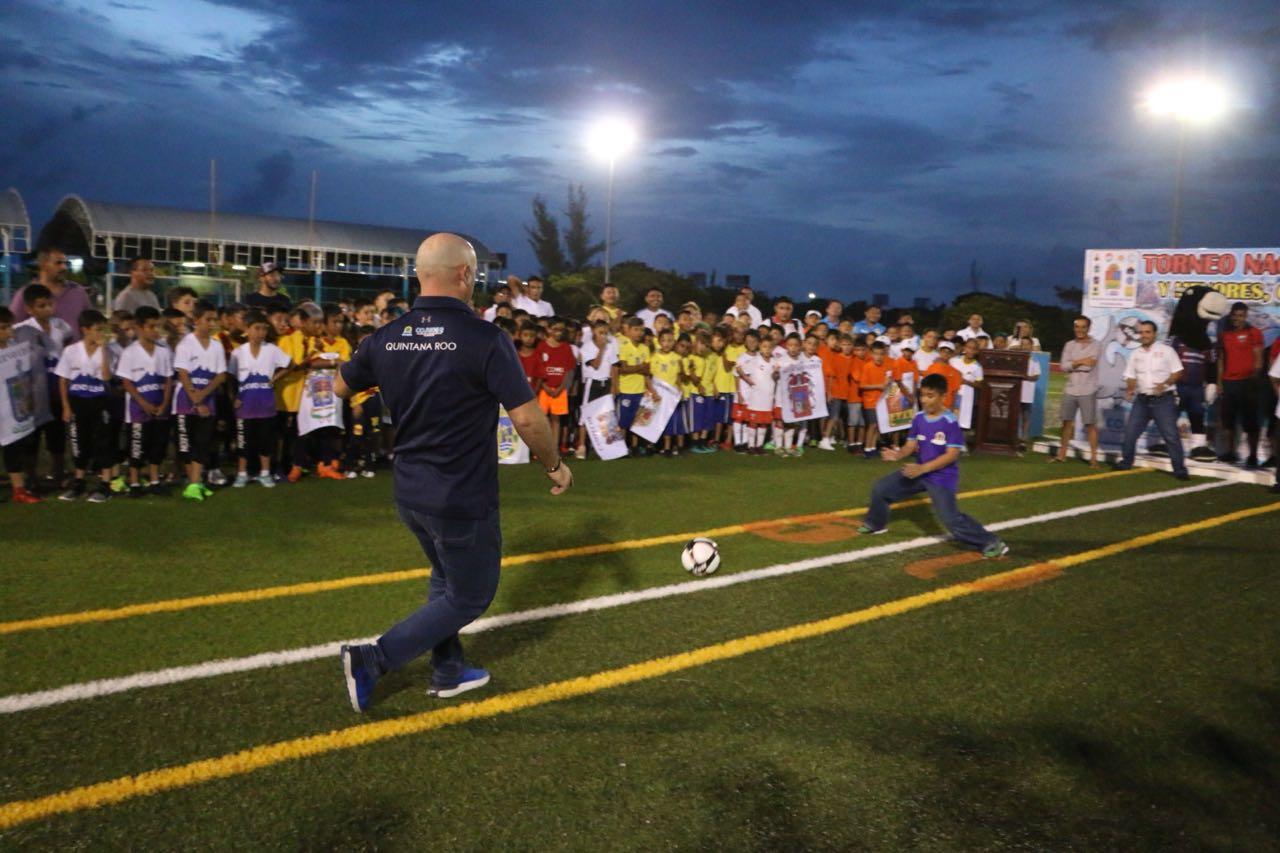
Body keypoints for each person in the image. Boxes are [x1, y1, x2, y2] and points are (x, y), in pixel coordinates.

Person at [335, 232, 572, 713]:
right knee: (470, 595)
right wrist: (555, 464)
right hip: (461, 493)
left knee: (445, 581)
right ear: (464, 274)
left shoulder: (387, 335)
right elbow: (527, 417)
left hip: (410, 490)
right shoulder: (485, 338)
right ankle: (373, 659)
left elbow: (340, 386)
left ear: (420, 275)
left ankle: (448, 671)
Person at [859, 373, 1009, 558]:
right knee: (881, 489)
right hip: (920, 471)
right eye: (922, 395)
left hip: (942, 477)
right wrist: (898, 454)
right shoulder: (919, 418)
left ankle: (991, 541)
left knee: (951, 520)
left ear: (943, 397)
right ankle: (876, 524)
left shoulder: (950, 422)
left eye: (930, 396)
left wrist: (922, 468)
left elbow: (952, 455)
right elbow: (910, 445)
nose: (924, 400)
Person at [13, 284, 73, 487]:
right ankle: (31, 476)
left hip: (56, 388)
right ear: (29, 309)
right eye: (41, 306)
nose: (47, 309)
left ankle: (58, 472)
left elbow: (68, 350)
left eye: (49, 304)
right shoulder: (20, 331)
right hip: (34, 391)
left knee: (56, 434)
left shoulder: (61, 326)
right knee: (32, 437)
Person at [55, 310, 118, 503]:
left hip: (100, 402)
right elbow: (63, 380)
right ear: (85, 330)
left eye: (103, 329)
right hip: (78, 403)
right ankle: (79, 482)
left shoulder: (107, 351)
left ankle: (105, 485)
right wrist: (66, 406)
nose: (101, 334)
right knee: (78, 443)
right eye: (98, 329)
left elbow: (107, 377)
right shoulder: (71, 351)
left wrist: (104, 351)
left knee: (103, 443)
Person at [1114, 320, 1188, 480]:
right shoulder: (1135, 354)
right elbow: (1131, 375)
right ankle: (1126, 462)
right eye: (1141, 332)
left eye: (1148, 332)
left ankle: (1180, 470)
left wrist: (1166, 383)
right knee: (1130, 433)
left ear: (1155, 334)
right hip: (1142, 401)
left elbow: (1178, 372)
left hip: (1163, 400)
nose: (1144, 335)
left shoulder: (1167, 351)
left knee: (1171, 436)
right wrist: (1130, 388)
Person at [228, 312, 293, 488]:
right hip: (245, 404)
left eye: (264, 329)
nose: (261, 332)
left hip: (266, 403)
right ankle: (242, 473)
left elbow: (290, 364)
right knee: (244, 441)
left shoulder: (271, 350)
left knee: (266, 440)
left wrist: (274, 379)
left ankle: (265, 473)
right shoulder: (238, 352)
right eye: (257, 328)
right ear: (247, 330)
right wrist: (234, 398)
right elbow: (231, 377)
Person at [173, 300, 228, 500]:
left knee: (203, 443)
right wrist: (195, 400)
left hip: (207, 401)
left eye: (214, 319)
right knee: (186, 445)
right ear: (196, 320)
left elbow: (221, 375)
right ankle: (194, 483)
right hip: (185, 402)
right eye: (208, 319)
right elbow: (183, 373)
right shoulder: (185, 344)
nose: (212, 323)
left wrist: (202, 397)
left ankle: (195, 483)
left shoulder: (216, 345)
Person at [115, 306, 173, 496]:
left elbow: (168, 379)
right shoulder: (130, 352)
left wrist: (164, 404)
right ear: (139, 327)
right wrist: (143, 403)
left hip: (160, 408)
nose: (155, 330)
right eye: (151, 326)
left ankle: (155, 479)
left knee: (158, 445)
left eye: (157, 326)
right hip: (138, 410)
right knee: (137, 445)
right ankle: (134, 482)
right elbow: (127, 381)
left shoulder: (164, 352)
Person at [0, 307, 41, 503]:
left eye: (9, 327)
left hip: (10, 409)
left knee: (13, 447)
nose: (8, 332)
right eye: (3, 328)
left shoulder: (14, 348)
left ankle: (18, 489)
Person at [1217, 302, 1264, 467]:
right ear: (1231, 316)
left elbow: (1258, 359)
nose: (1237, 319)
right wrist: (1219, 382)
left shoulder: (1254, 333)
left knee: (1250, 422)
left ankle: (1253, 455)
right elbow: (1221, 359)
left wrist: (1254, 379)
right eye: (1235, 315)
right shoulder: (1224, 335)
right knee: (1228, 421)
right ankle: (1231, 452)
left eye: (1241, 315)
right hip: (1229, 382)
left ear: (1246, 316)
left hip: (1248, 383)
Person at [9, 247, 91, 336]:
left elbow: (90, 324)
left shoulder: (78, 292)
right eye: (58, 263)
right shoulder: (24, 294)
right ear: (43, 265)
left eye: (66, 263)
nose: (64, 267)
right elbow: (12, 330)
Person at [1054, 316, 1100, 467]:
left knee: (1090, 424)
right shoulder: (1069, 345)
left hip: (1088, 389)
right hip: (1071, 389)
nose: (1079, 330)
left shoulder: (1096, 345)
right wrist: (1080, 361)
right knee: (1066, 422)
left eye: (1083, 327)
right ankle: (1062, 454)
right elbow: (1063, 367)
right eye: (1077, 327)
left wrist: (1072, 363)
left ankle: (1093, 458)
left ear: (1088, 328)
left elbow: (1090, 366)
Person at [537, 318, 577, 454]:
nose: (559, 332)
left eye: (561, 329)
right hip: (544, 389)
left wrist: (562, 388)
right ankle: (542, 448)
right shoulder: (541, 346)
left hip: (560, 390)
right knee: (542, 419)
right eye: (555, 329)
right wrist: (544, 386)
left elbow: (569, 369)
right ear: (548, 329)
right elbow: (538, 368)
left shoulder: (566, 347)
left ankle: (554, 448)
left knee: (556, 419)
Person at [736, 333, 777, 455]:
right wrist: (748, 380)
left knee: (764, 423)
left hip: (768, 398)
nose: (767, 349)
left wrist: (776, 374)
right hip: (756, 398)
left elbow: (776, 376)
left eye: (769, 347)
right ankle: (750, 446)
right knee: (753, 422)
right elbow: (738, 368)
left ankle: (759, 446)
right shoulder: (755, 360)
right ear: (760, 347)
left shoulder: (774, 361)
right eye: (764, 346)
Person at [649, 328, 683, 456]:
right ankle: (654, 446)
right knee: (655, 420)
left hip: (671, 395)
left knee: (669, 421)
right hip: (657, 395)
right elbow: (648, 376)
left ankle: (668, 447)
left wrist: (680, 390)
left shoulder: (677, 358)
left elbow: (678, 376)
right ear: (659, 342)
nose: (666, 343)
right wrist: (652, 391)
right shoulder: (654, 357)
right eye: (663, 341)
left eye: (669, 340)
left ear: (674, 342)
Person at [858, 341, 894, 458]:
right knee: (872, 425)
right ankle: (867, 449)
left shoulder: (887, 367)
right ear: (871, 354)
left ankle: (872, 447)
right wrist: (878, 386)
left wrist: (888, 383)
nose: (879, 357)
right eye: (876, 354)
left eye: (881, 354)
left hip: (882, 402)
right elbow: (862, 385)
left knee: (878, 425)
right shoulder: (867, 367)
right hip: (870, 401)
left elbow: (889, 382)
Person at [1015, 336, 1041, 450]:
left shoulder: (1034, 361)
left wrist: (1026, 377)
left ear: (1031, 346)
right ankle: (1015, 438)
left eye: (1027, 344)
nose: (1025, 346)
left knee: (1025, 417)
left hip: (1027, 395)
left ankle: (1023, 440)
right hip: (1016, 393)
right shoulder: (1017, 360)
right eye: (1023, 344)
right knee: (1015, 417)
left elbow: (1036, 376)